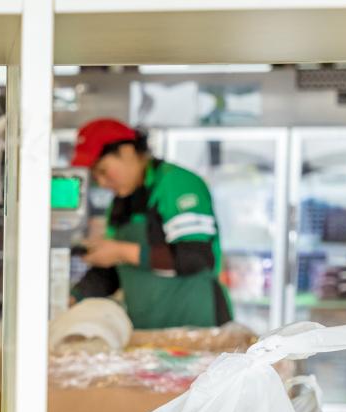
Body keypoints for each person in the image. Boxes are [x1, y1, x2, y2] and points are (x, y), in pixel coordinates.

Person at [70, 118, 233, 330]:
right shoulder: (120, 203)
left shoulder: (176, 184)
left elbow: (196, 256)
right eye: (95, 175)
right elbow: (113, 271)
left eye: (102, 170)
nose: (101, 182)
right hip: (149, 335)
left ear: (127, 152)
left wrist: (120, 250)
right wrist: (74, 297)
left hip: (199, 329)